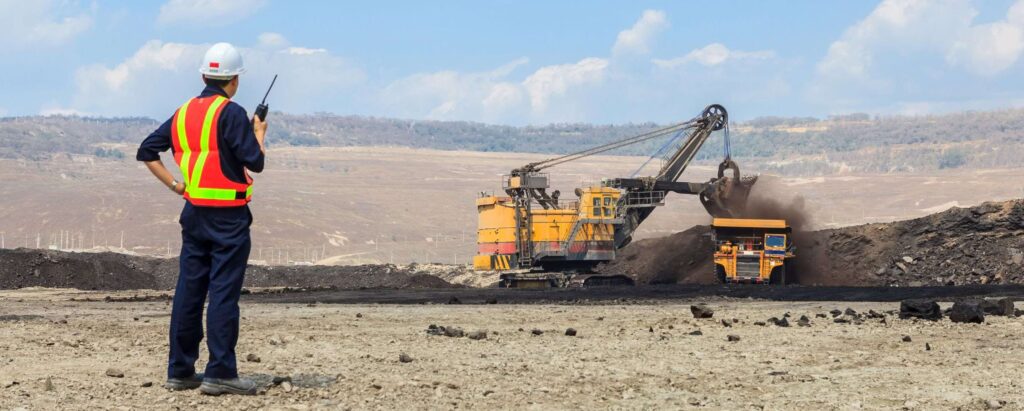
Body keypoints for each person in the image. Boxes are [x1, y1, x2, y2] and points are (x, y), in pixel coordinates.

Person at [136, 42, 266, 396]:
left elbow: (147, 150)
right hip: (229, 219)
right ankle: (221, 372)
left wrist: (178, 186)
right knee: (223, 293)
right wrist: (259, 134)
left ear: (203, 75)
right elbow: (255, 162)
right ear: (234, 80)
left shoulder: (182, 113)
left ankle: (180, 370)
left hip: (194, 215)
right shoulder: (232, 112)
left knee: (189, 291)